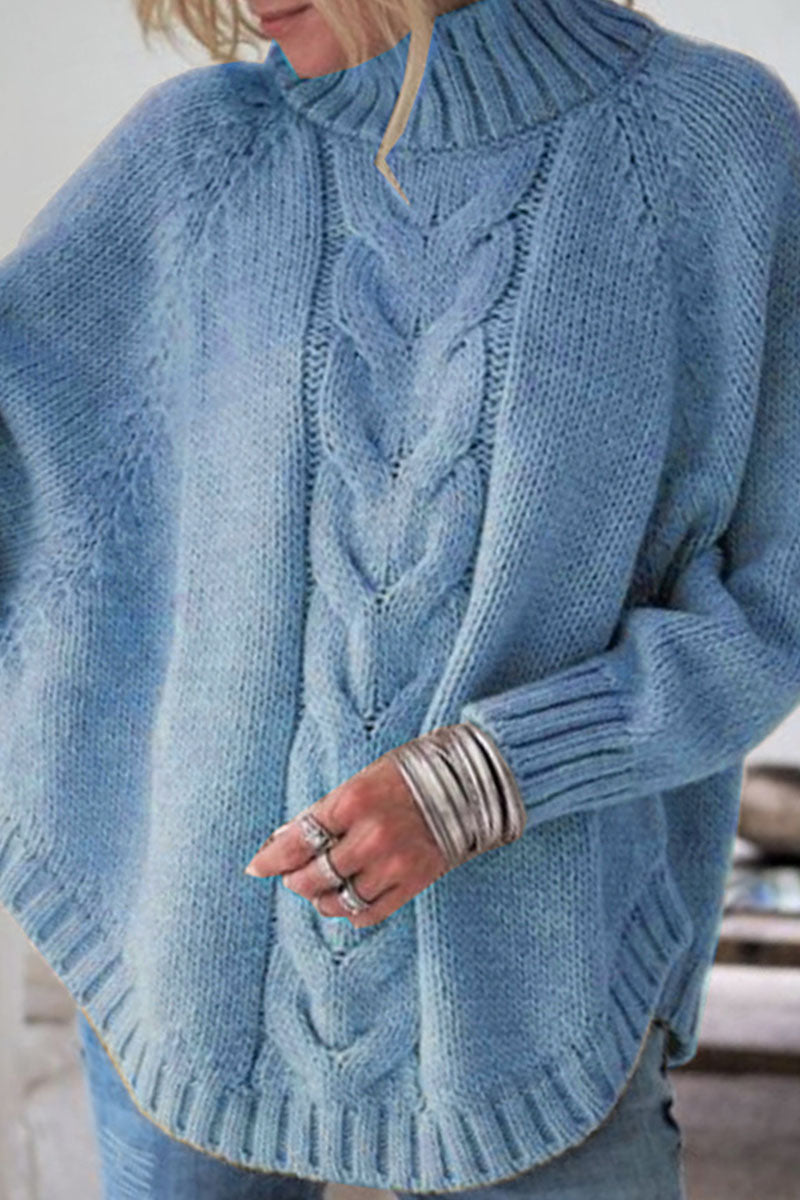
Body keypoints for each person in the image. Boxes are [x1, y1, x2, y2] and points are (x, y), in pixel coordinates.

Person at [2, 0, 799, 1196]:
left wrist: (480, 779)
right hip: (189, 979)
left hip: (539, 1011)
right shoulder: (199, 153)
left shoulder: (706, 143)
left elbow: (773, 597)